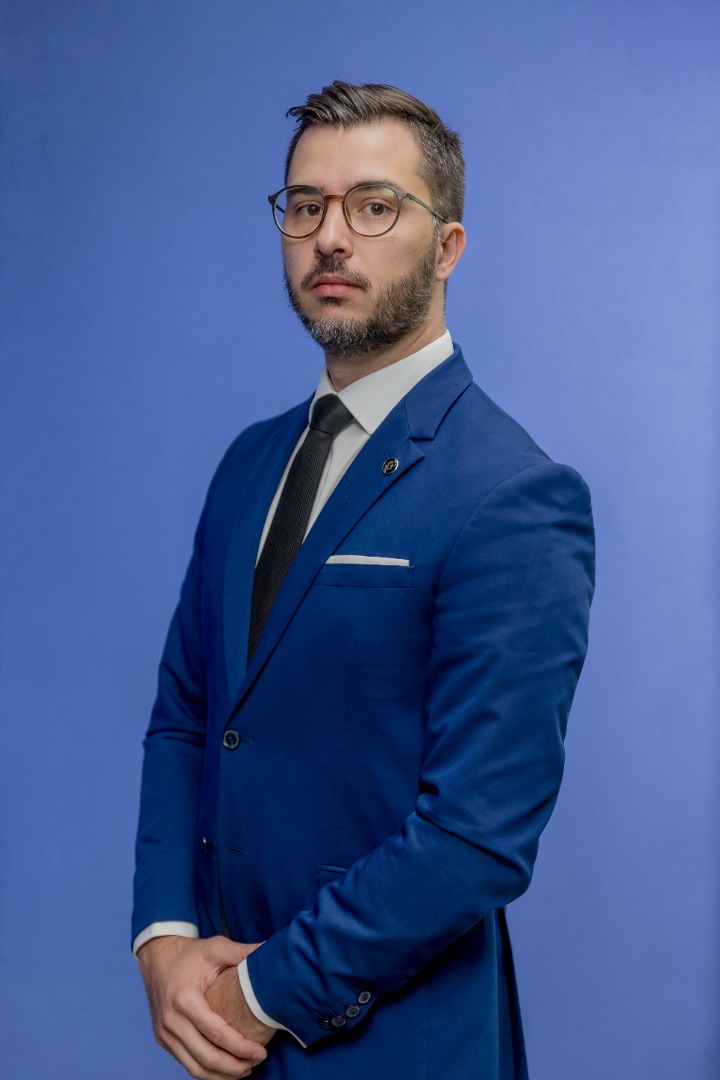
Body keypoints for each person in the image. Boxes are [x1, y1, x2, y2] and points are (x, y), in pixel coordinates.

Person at [133, 81, 595, 1080]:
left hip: (398, 1045)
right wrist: (164, 940)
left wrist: (260, 994)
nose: (331, 237)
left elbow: (476, 835)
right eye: (306, 205)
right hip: (221, 1038)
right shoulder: (248, 463)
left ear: (448, 246)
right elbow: (188, 717)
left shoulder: (513, 493)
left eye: (374, 205)